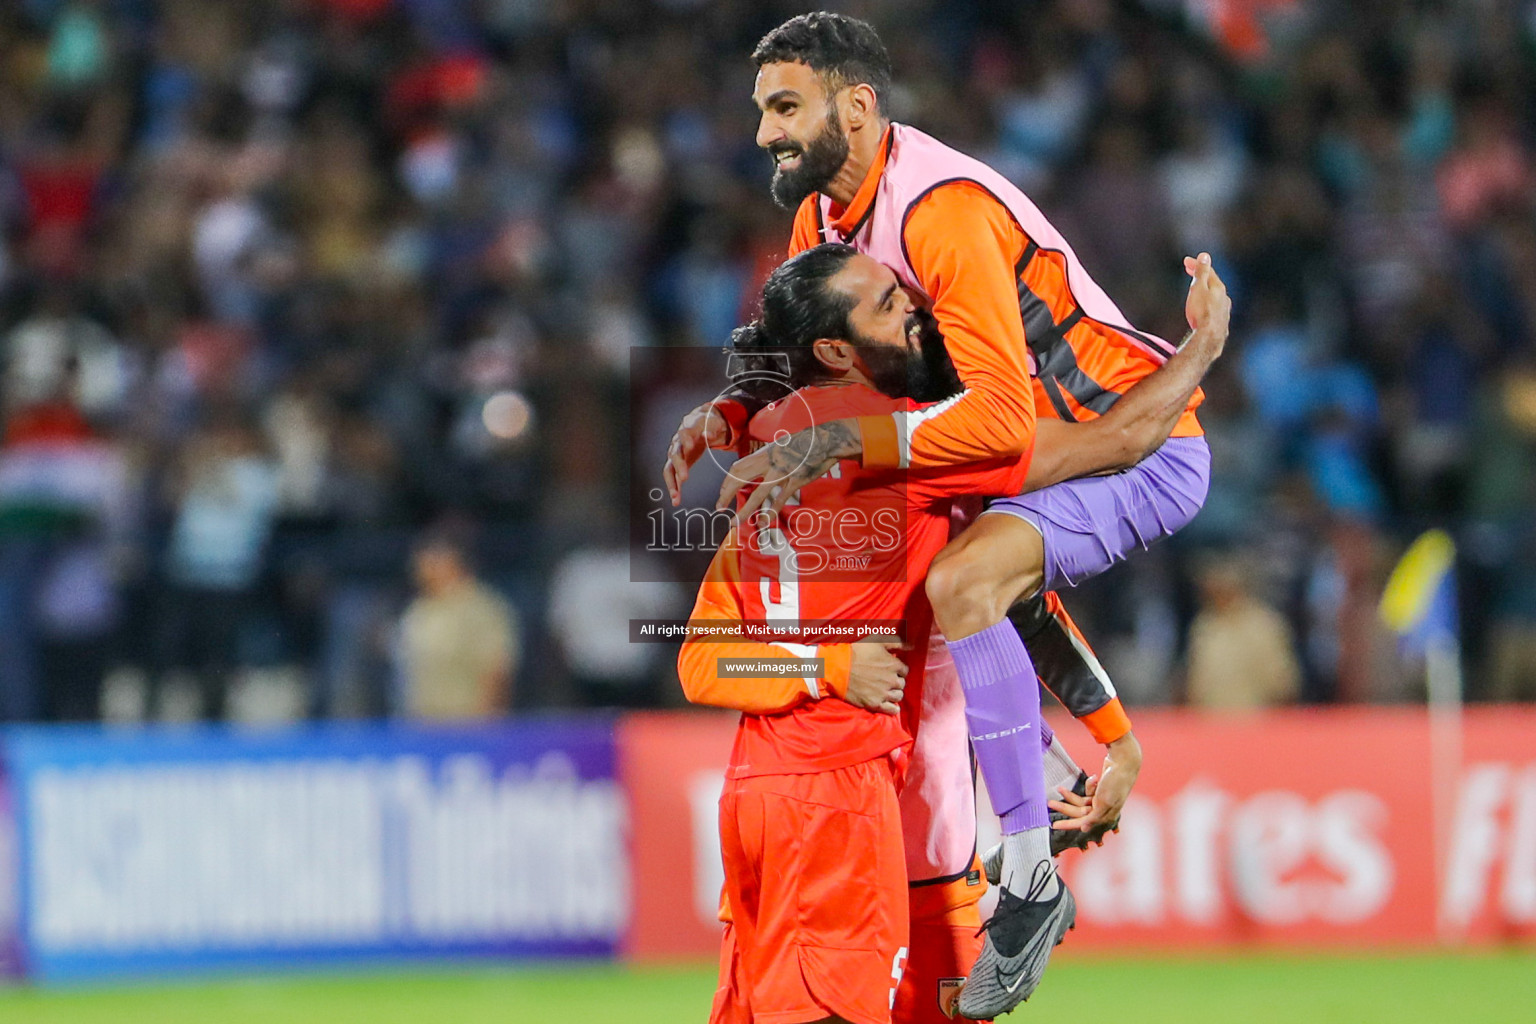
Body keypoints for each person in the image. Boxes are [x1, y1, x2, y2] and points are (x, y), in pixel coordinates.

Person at [667, 13, 1229, 1015]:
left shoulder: (939, 216)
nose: (763, 132)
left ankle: (1029, 875)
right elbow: (703, 655)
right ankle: (1047, 788)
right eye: (760, 110)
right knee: (968, 577)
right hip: (840, 784)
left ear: (859, 106)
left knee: (963, 579)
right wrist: (735, 408)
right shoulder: (827, 242)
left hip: (1102, 442)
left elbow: (1016, 426)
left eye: (784, 106)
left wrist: (1183, 376)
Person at [397, 533, 518, 721]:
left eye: (430, 560)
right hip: (422, 725)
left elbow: (497, 669)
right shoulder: (419, 609)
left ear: (450, 562)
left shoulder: (481, 607)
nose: (419, 569)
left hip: (466, 725)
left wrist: (486, 723)